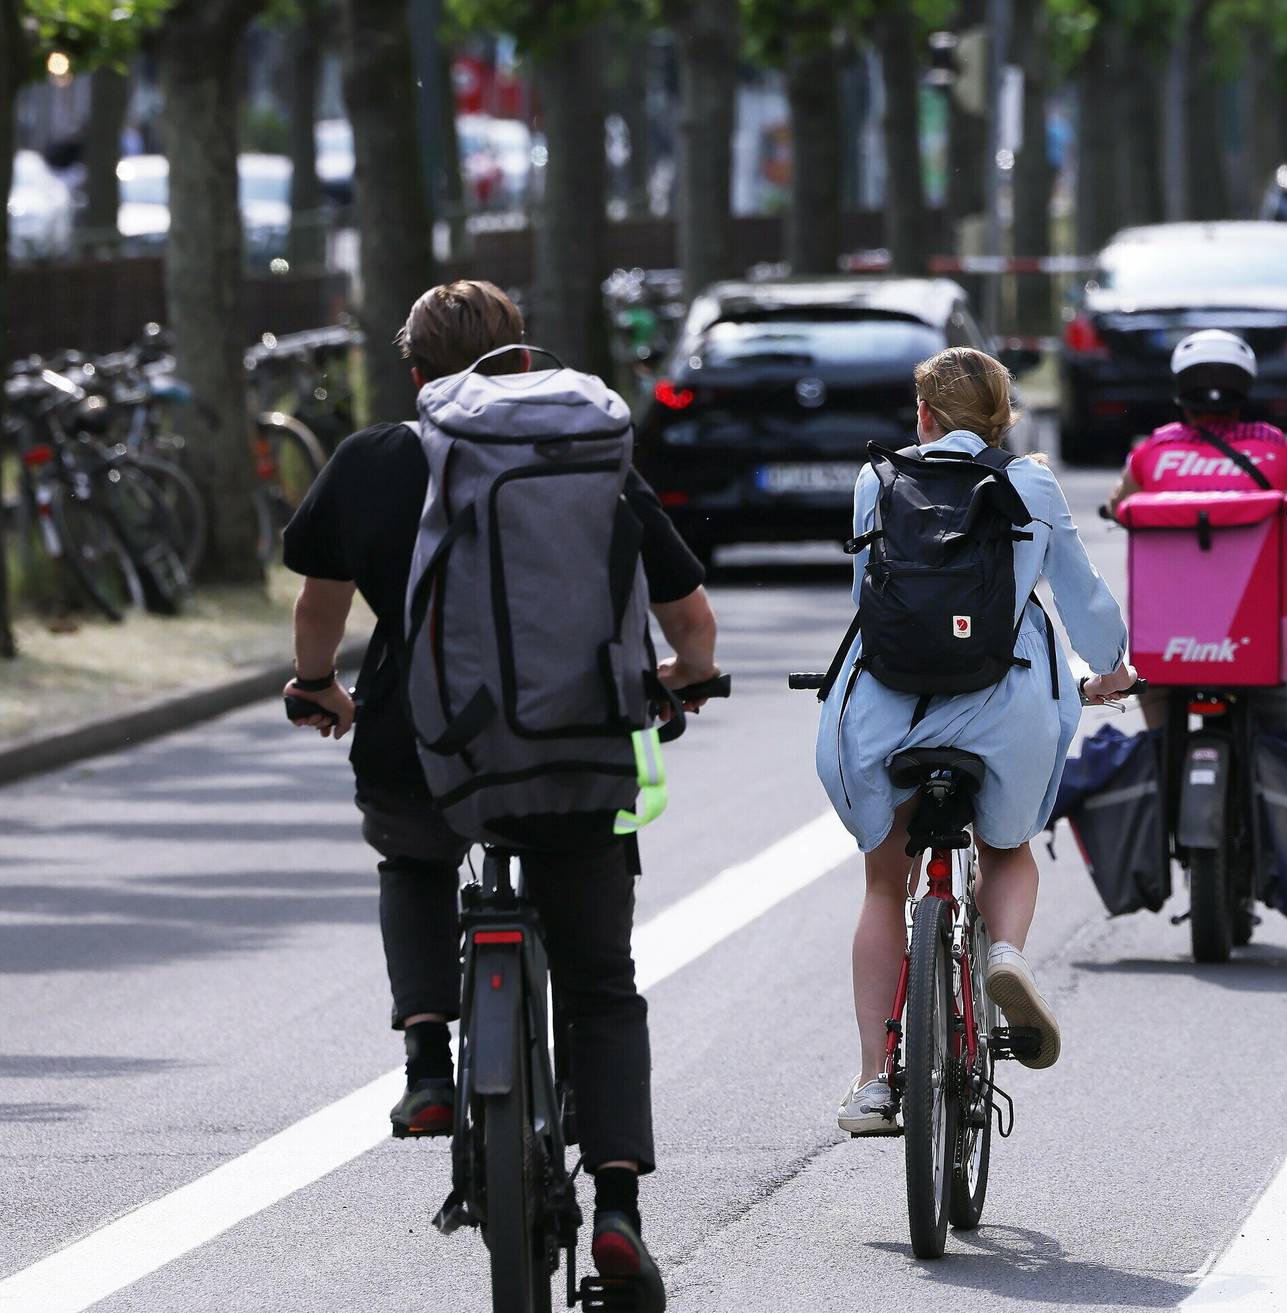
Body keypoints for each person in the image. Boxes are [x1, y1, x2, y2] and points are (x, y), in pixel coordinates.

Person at [281, 280, 717, 1311]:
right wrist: (680, 681)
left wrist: (317, 684)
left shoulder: (377, 457)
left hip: (418, 741)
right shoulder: (584, 455)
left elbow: (320, 600)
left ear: (417, 369)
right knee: (600, 983)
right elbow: (688, 616)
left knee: (415, 855)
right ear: (522, 358)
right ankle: (616, 1208)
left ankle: (430, 1059)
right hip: (573, 745)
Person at [819, 347, 1136, 1135]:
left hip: (890, 708)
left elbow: (867, 600)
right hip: (1006, 706)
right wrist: (1111, 669)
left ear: (922, 416)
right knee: (1005, 849)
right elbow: (1082, 594)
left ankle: (870, 1080)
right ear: (1004, 417)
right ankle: (1005, 956)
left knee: (884, 883)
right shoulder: (1028, 481)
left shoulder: (877, 481)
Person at [1106, 329, 1287, 733]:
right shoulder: (1274, 449)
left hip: (1169, 642)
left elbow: (1117, 506)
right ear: (1245, 387)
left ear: (1181, 390)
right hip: (1253, 643)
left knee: (1156, 729)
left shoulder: (1154, 452)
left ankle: (1162, 767)